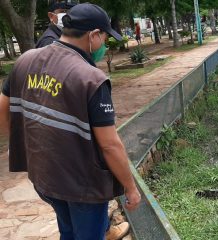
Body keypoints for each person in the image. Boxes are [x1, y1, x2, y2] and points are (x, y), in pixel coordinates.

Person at [0, 3, 141, 239]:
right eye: (104, 38)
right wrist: (131, 187)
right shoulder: (90, 78)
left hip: (44, 176)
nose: (104, 45)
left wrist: (24, 145)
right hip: (81, 186)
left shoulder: (26, 60)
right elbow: (109, 145)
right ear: (93, 35)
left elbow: (3, 109)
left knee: (68, 230)